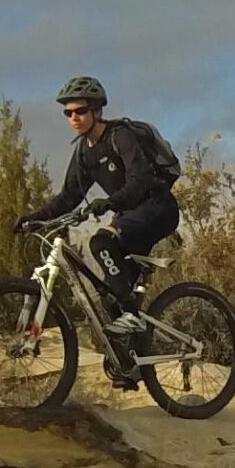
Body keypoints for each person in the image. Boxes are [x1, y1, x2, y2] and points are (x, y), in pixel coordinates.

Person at [18, 75, 182, 332]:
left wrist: (109, 202)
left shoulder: (120, 136)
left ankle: (131, 316)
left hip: (157, 207)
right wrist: (35, 218)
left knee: (100, 241)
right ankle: (132, 358)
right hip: (130, 215)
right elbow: (69, 196)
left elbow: (140, 178)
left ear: (96, 110)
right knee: (110, 296)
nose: (74, 118)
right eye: (68, 113)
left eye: (80, 111)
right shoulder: (84, 151)